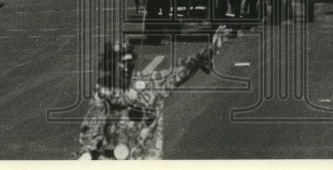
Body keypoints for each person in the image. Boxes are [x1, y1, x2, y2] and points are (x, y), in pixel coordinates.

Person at [78, 28, 230, 160]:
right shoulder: (105, 89)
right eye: (122, 63)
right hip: (111, 160)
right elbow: (93, 122)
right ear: (110, 65)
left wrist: (209, 50)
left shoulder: (151, 83)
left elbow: (179, 70)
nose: (127, 68)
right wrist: (87, 152)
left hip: (146, 160)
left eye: (130, 63)